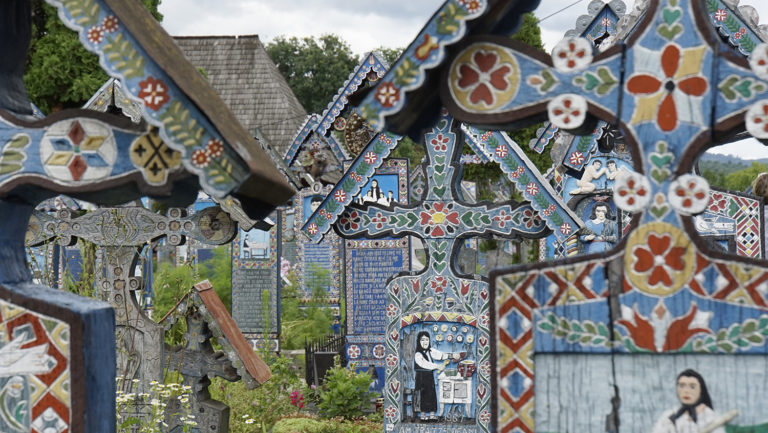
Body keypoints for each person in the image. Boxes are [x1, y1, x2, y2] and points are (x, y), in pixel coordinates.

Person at [651, 369, 736, 433]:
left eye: (692, 387)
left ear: (701, 391)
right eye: (681, 386)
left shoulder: (711, 418)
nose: (686, 391)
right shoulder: (669, 416)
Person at [414, 331, 459, 421]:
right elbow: (425, 364)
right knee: (422, 395)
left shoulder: (431, 351)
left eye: (427, 339)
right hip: (421, 377)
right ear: (418, 341)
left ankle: (432, 414)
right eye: (422, 340)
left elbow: (441, 355)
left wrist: (451, 355)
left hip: (429, 376)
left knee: (431, 394)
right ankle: (422, 415)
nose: (425, 342)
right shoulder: (418, 354)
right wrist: (437, 366)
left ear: (429, 340)